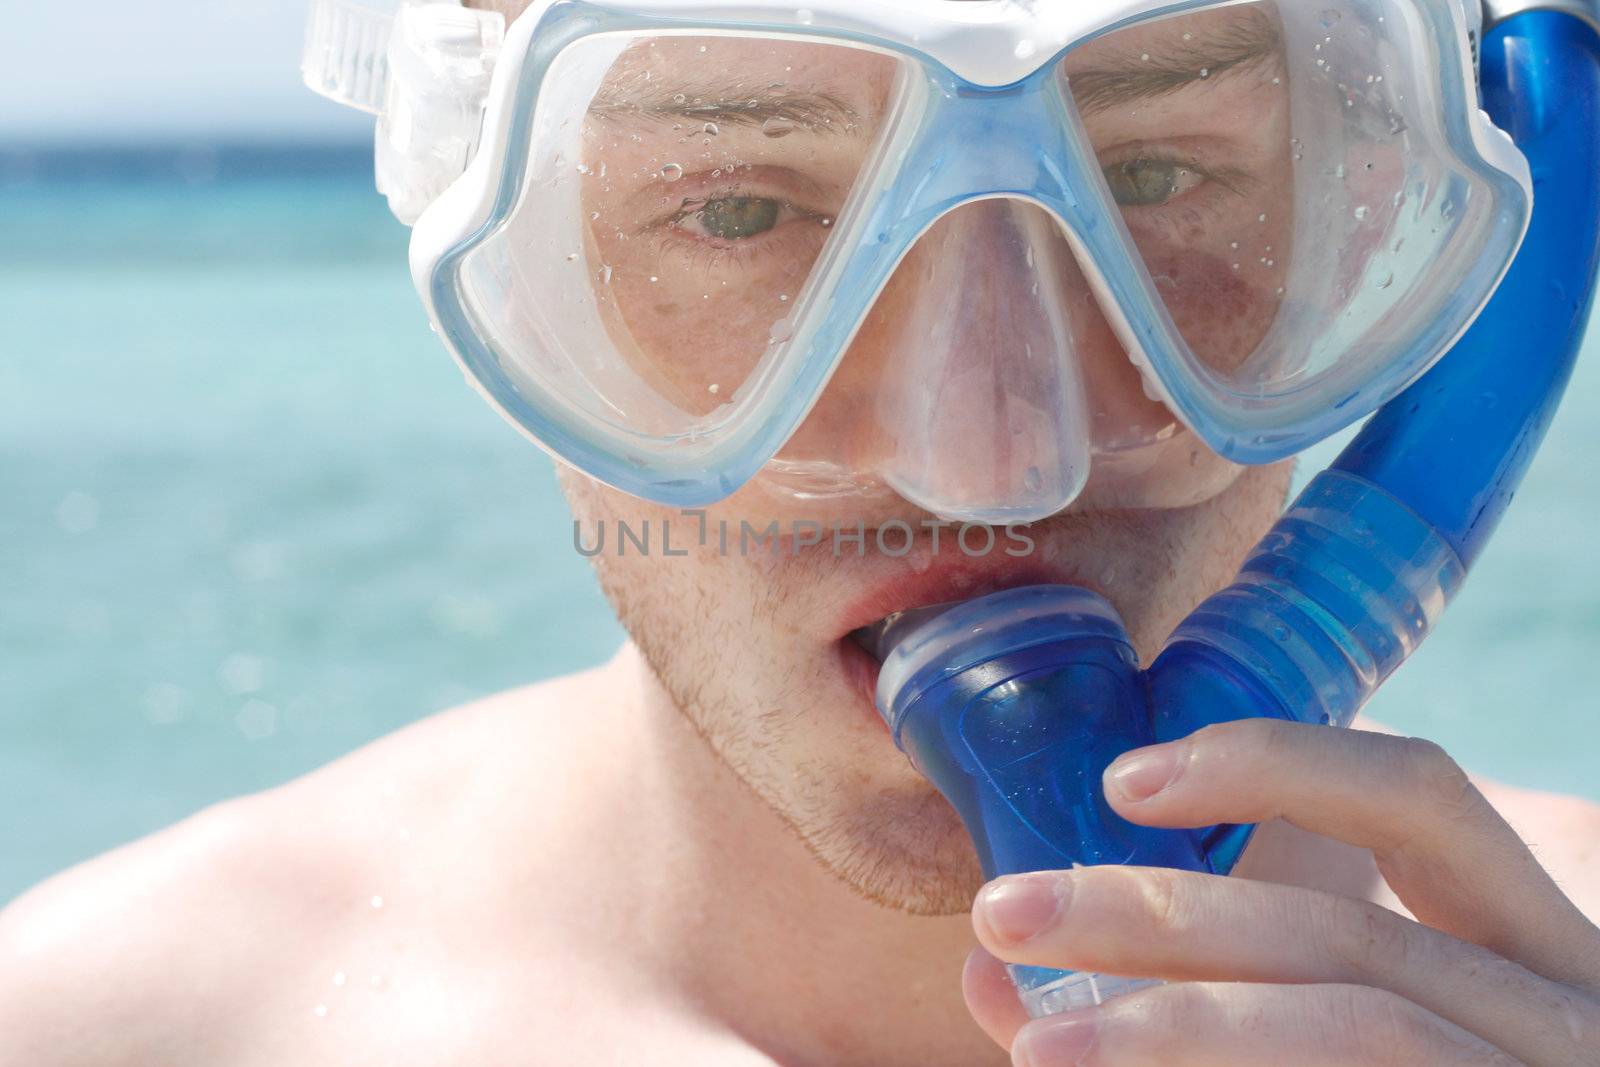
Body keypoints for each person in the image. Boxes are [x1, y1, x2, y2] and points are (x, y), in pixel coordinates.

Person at [4, 0, 1599, 1063]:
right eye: (746, 211)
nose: (998, 459)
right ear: (509, 267)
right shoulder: (115, 1028)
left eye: (1166, 175)